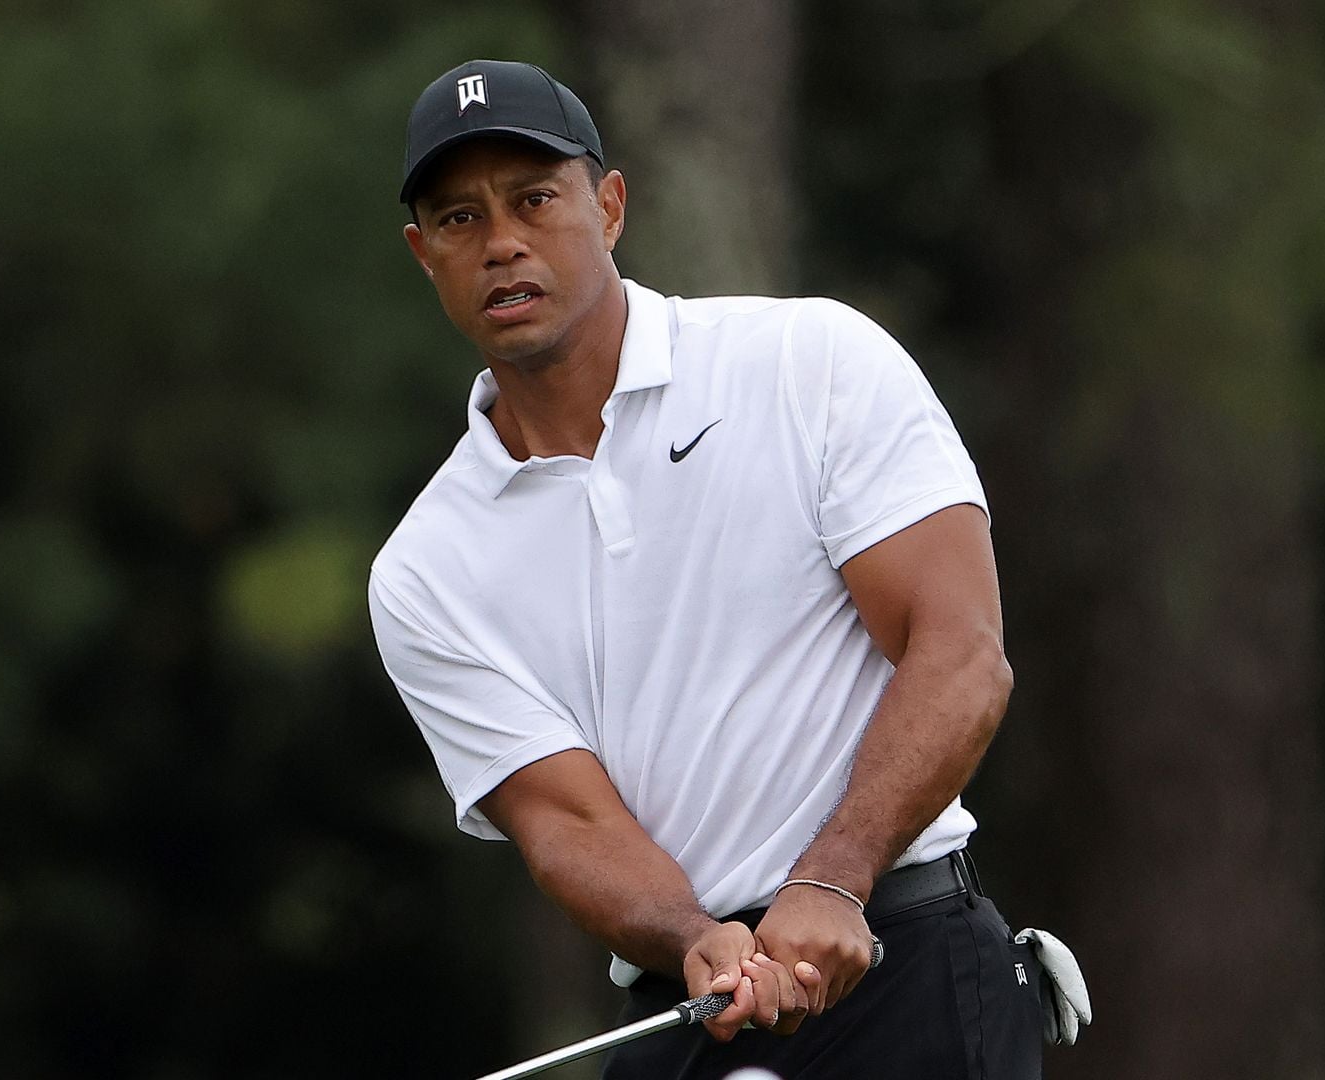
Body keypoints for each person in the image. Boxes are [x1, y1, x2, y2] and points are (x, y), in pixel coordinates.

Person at [367, 60, 1045, 1079]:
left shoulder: (809, 360)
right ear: (425, 254)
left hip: (908, 960)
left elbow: (959, 652)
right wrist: (691, 934)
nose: (501, 242)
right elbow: (569, 822)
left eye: (534, 199)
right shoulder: (426, 571)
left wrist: (834, 878)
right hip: (691, 1006)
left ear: (610, 206)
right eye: (459, 219)